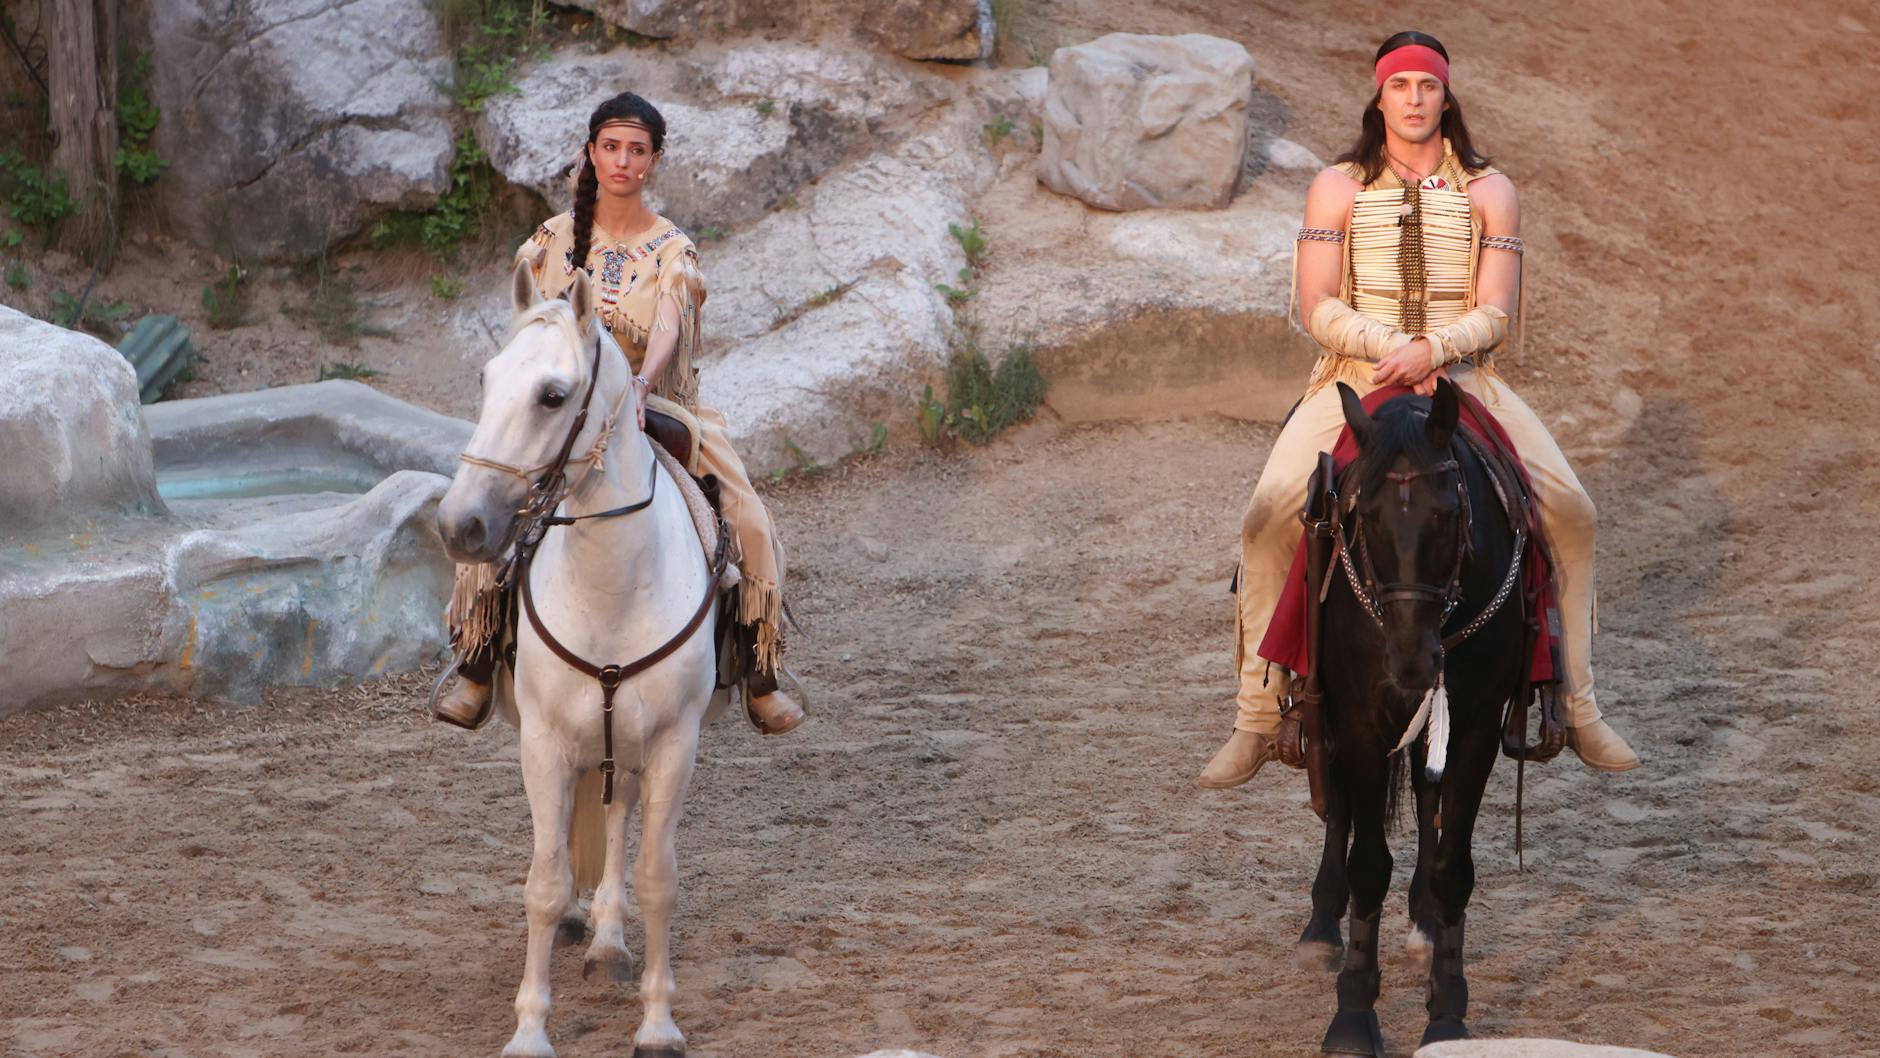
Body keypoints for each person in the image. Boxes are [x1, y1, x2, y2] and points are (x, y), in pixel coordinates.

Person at [1198, 31, 1639, 789]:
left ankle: (1579, 704)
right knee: (1267, 516)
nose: (1413, 99)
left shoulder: (1490, 191)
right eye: (1399, 86)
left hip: (1461, 376)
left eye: (1426, 86)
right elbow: (1316, 302)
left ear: (1445, 96)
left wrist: (1434, 350)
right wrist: (1389, 347)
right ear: (1379, 98)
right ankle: (1257, 716)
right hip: (1354, 373)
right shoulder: (1336, 186)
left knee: (1573, 512)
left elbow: (1495, 311)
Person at [435, 91, 804, 736]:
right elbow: (529, 328)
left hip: (649, 401)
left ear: (653, 160)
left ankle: (758, 669)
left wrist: (640, 383)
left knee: (748, 513)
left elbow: (667, 323)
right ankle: (478, 656)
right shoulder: (551, 239)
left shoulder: (671, 248)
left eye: (637, 150)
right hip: (560, 408)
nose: (623, 161)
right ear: (592, 153)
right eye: (611, 147)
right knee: (495, 485)